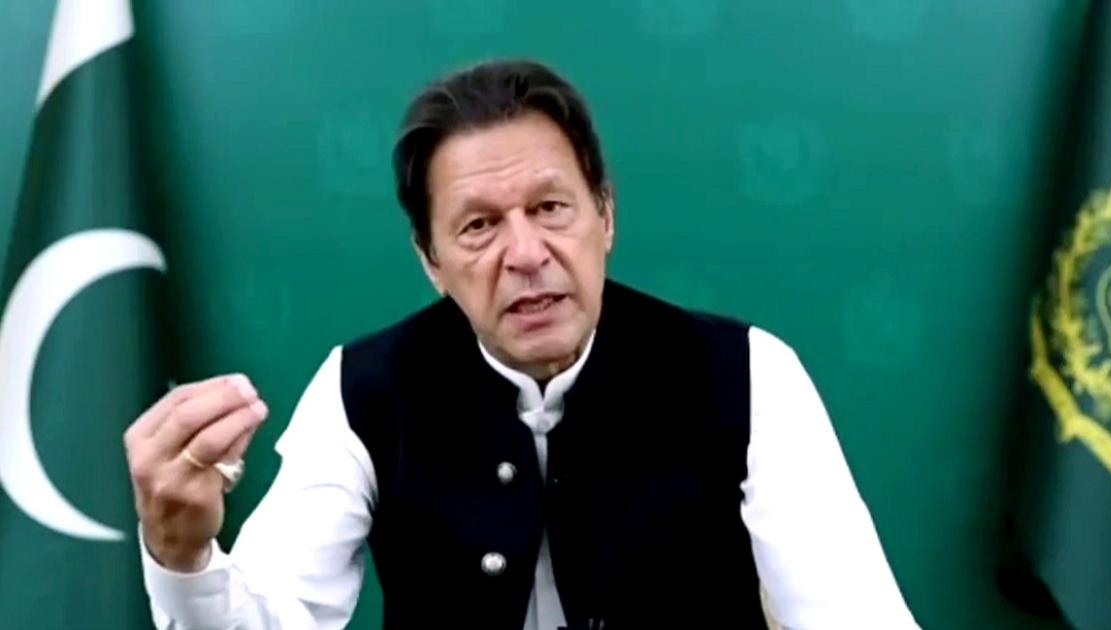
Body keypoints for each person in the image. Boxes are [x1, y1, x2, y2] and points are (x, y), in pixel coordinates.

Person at [124, 58, 919, 629]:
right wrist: (182, 556)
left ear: (606, 215)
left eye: (550, 208)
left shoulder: (746, 374)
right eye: (479, 226)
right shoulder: (364, 389)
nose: (527, 254)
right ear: (430, 262)